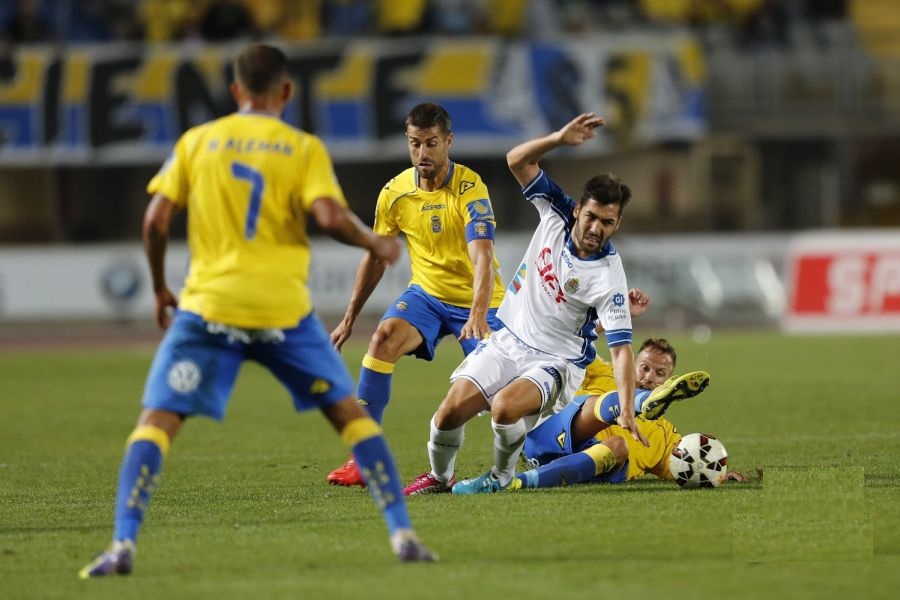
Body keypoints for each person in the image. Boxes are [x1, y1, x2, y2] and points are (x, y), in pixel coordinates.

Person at [79, 44, 434, 579]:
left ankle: (122, 547)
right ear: (286, 92)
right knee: (350, 417)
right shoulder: (301, 147)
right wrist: (374, 242)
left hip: (208, 308)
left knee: (156, 422)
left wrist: (158, 288)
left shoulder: (198, 142)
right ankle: (403, 536)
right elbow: (329, 215)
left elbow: (155, 220)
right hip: (281, 312)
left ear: (236, 91)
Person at [403, 112, 643, 496]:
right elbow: (517, 160)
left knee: (504, 407)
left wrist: (627, 408)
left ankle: (499, 478)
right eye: (593, 217)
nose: (597, 228)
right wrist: (558, 140)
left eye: (608, 223)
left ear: (617, 224)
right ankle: (439, 479)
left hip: (557, 361)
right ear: (579, 209)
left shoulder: (609, 275)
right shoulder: (556, 210)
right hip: (508, 339)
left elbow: (621, 351)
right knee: (448, 413)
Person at [326, 102, 505, 487]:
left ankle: (555, 445)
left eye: (431, 143)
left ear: (448, 142)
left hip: (481, 302)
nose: (422, 153)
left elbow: (483, 257)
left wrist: (476, 313)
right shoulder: (394, 193)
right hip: (426, 295)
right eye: (415, 144)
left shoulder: (470, 189)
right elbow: (375, 258)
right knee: (383, 338)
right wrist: (349, 318)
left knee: (500, 394)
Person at [512, 337, 733, 489]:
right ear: (633, 363)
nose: (649, 377)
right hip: (550, 435)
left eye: (660, 373)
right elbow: (570, 346)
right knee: (594, 404)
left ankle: (523, 481)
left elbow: (687, 465)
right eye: (644, 368)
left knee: (618, 446)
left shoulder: (664, 436)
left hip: (585, 470)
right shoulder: (608, 371)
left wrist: (717, 473)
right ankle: (634, 402)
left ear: (668, 380)